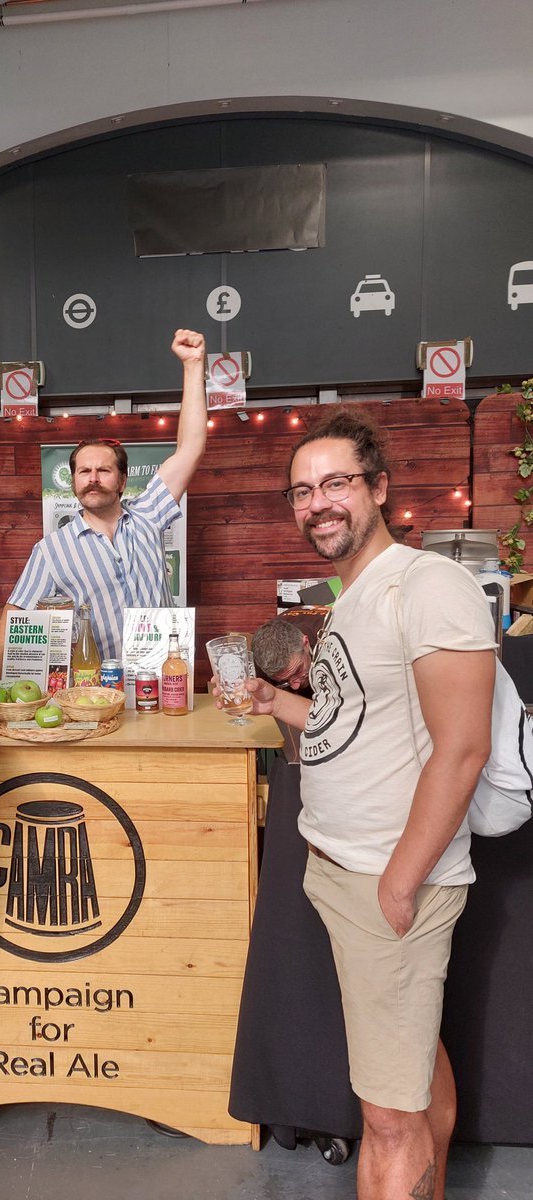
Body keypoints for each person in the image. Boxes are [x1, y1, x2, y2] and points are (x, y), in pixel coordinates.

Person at [243, 409, 495, 1200]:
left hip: (390, 882)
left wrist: (398, 884)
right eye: (302, 491)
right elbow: (344, 720)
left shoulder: (430, 583)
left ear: (379, 488)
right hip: (340, 869)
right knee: (409, 1062)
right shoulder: (351, 595)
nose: (318, 503)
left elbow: (462, 750)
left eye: (338, 483)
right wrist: (266, 699)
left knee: (385, 1118)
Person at [0, 328, 208, 665]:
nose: (93, 479)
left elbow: (191, 448)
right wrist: (3, 687)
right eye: (84, 471)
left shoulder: (148, 515)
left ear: (122, 481)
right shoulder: (52, 550)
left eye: (104, 471)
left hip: (166, 676)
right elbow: (14, 616)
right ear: (73, 482)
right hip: (98, 690)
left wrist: (194, 366)